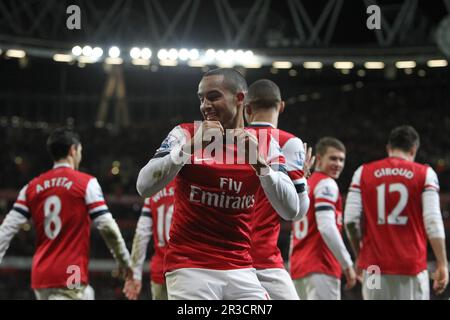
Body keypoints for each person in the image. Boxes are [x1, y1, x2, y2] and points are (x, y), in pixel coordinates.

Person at [136, 68, 300, 300]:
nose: (205, 105)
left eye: (213, 97)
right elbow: (143, 186)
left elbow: (291, 210)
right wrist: (189, 148)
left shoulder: (264, 144)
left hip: (241, 268)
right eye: (201, 98)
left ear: (240, 98)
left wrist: (260, 165)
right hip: (190, 267)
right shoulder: (185, 133)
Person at [0, 128, 132, 300]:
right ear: (73, 150)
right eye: (80, 151)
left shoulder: (31, 187)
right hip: (72, 273)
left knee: (88, 294)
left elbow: (7, 229)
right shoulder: (86, 183)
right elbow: (107, 225)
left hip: (41, 275)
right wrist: (124, 261)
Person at [344, 125, 448, 300]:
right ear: (414, 149)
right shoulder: (425, 174)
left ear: (388, 148)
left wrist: (360, 254)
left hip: (373, 268)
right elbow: (432, 221)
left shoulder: (362, 173)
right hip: (410, 267)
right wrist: (442, 263)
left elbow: (350, 221)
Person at [244, 79, 311, 300]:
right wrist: (302, 179)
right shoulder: (289, 142)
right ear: (281, 106)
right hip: (264, 260)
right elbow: (298, 212)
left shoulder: (228, 140)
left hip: (225, 258)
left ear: (247, 108)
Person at [290, 137, 356, 300]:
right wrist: (347, 265)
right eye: (333, 158)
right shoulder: (327, 184)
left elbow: (294, 233)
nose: (338, 164)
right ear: (319, 158)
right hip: (321, 265)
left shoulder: (306, 185)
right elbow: (326, 227)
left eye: (342, 160)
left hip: (299, 269)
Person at [123, 180, 176, 300]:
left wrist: (135, 274)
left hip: (160, 268)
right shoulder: (195, 183)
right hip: (188, 268)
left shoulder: (154, 188)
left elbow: (141, 234)